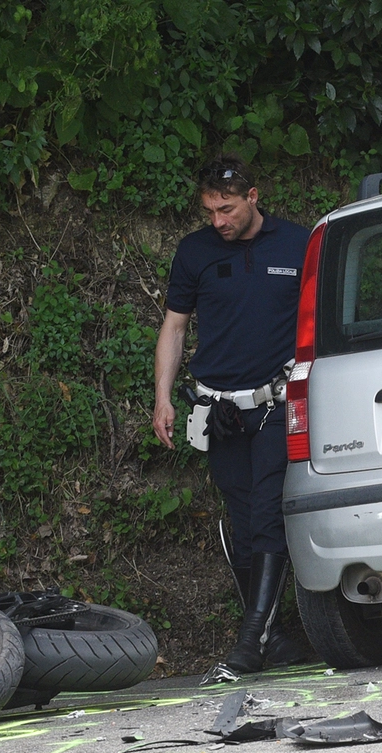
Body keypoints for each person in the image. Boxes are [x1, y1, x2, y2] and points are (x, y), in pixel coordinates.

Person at [153, 156, 311, 678]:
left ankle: (248, 644)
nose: (217, 221)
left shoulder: (297, 244)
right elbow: (175, 327)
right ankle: (276, 637)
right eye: (209, 211)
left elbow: (321, 319)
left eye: (227, 209)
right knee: (242, 522)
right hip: (216, 408)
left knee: (269, 514)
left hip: (276, 403)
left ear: (254, 197)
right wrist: (163, 396)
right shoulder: (194, 252)